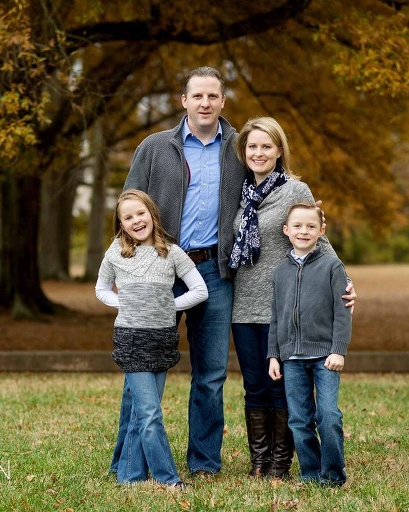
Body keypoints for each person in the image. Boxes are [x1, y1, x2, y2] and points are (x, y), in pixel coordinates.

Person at [119, 66, 246, 477]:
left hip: (214, 271)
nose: (205, 103)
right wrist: (128, 264)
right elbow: (126, 206)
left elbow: (278, 196)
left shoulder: (242, 148)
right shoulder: (155, 147)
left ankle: (205, 464)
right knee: (142, 364)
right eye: (198, 96)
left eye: (213, 96)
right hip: (157, 269)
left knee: (210, 374)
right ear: (184, 101)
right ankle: (127, 460)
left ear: (222, 102)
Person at [228, 117, 356, 480]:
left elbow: (319, 240)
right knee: (253, 384)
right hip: (243, 302)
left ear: (279, 150)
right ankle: (260, 461)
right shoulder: (238, 191)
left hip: (284, 304)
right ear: (244, 151)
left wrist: (344, 281)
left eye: (267, 146)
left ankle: (281, 464)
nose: (259, 152)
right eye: (252, 146)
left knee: (281, 385)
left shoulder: (295, 190)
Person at [95, 189, 209, 489]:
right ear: (121, 224)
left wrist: (168, 304)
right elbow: (101, 289)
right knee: (149, 413)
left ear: (152, 215)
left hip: (161, 340)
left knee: (140, 411)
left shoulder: (172, 253)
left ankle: (129, 475)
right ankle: (167, 478)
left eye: (140, 213)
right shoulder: (115, 253)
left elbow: (200, 290)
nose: (136, 220)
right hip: (131, 340)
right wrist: (125, 303)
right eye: (128, 217)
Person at [268, 202, 352, 486]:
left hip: (325, 356)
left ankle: (332, 475)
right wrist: (273, 356)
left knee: (327, 416)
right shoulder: (280, 273)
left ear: (321, 231)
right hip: (291, 359)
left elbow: (343, 311)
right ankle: (310, 474)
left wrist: (338, 349)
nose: (304, 231)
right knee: (299, 420)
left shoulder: (332, 266)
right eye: (298, 226)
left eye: (311, 226)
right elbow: (276, 318)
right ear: (286, 230)